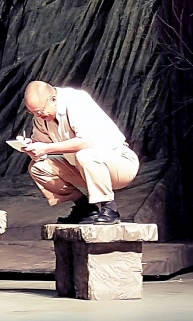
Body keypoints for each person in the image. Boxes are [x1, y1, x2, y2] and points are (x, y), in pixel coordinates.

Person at [19, 81, 139, 225]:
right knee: (38, 167)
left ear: (53, 99)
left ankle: (109, 208)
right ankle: (85, 208)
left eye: (39, 111)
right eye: (32, 112)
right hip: (83, 168)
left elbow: (86, 142)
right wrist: (32, 147)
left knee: (85, 155)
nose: (37, 115)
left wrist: (45, 148)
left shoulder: (76, 100)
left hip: (119, 162)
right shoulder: (41, 118)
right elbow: (44, 146)